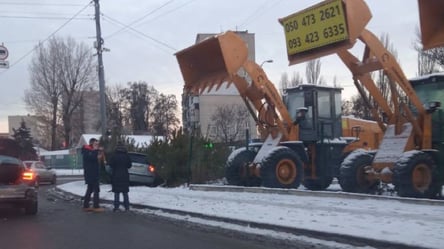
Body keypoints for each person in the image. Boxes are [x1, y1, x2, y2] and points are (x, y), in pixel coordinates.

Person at [82, 138, 104, 212]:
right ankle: (96, 206)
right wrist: (95, 150)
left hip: (92, 173)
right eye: (95, 144)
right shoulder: (87, 151)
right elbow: (92, 158)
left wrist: (100, 152)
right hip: (91, 173)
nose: (97, 145)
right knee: (96, 189)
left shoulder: (90, 151)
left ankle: (86, 205)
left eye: (97, 144)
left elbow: (97, 159)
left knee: (90, 189)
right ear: (91, 144)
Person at [109, 142, 132, 212]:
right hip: (124, 175)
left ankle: (116, 207)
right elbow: (129, 165)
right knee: (125, 192)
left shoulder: (114, 156)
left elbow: (110, 165)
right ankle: (127, 207)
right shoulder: (126, 156)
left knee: (116, 192)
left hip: (116, 175)